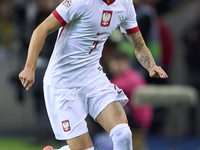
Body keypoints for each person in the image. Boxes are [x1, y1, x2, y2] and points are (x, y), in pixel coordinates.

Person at [18, 0, 168, 149]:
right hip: (63, 83)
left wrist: (151, 66)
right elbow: (41, 29)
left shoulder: (125, 4)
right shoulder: (80, 2)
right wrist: (29, 68)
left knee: (123, 134)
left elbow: (139, 45)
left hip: (93, 78)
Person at [108, 51, 153, 150]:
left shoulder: (125, 80)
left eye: (115, 63)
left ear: (123, 63)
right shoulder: (135, 75)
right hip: (141, 120)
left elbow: (106, 91)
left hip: (136, 120)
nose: (112, 66)